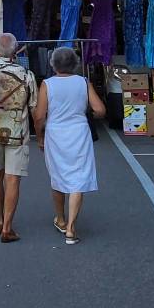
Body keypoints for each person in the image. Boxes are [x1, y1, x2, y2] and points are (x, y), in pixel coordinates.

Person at [33, 46, 106, 245]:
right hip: (79, 132)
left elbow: (39, 116)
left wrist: (39, 137)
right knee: (78, 177)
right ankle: (72, 228)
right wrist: (88, 115)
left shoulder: (47, 84)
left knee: (58, 176)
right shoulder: (83, 82)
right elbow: (100, 109)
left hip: (55, 134)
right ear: (75, 64)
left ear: (53, 64)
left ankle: (61, 219)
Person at [0, 32, 38, 243]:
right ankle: (8, 228)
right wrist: (41, 134)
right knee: (13, 179)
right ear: (15, 50)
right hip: (18, 133)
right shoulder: (26, 74)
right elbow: (34, 108)